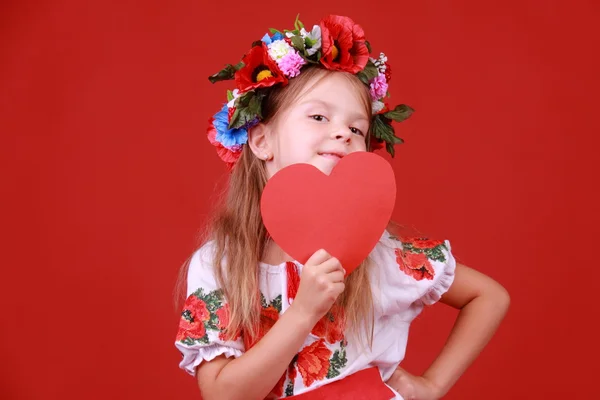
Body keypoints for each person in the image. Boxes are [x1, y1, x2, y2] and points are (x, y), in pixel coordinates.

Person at [174, 14, 510, 400]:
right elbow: (223, 395)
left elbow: (489, 297)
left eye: (357, 129)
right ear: (262, 140)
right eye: (319, 116)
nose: (341, 133)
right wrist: (303, 313)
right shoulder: (222, 262)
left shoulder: (379, 255)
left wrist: (431, 386)